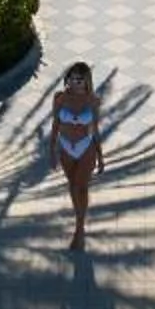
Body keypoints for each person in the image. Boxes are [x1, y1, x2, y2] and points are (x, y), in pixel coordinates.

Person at [50, 62, 103, 249]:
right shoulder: (59, 98)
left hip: (85, 148)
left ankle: (79, 230)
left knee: (81, 187)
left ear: (86, 80)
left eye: (79, 79)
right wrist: (51, 151)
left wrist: (101, 155)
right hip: (65, 148)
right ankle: (79, 221)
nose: (75, 82)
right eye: (71, 78)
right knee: (72, 186)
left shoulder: (93, 100)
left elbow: (95, 130)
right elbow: (55, 125)